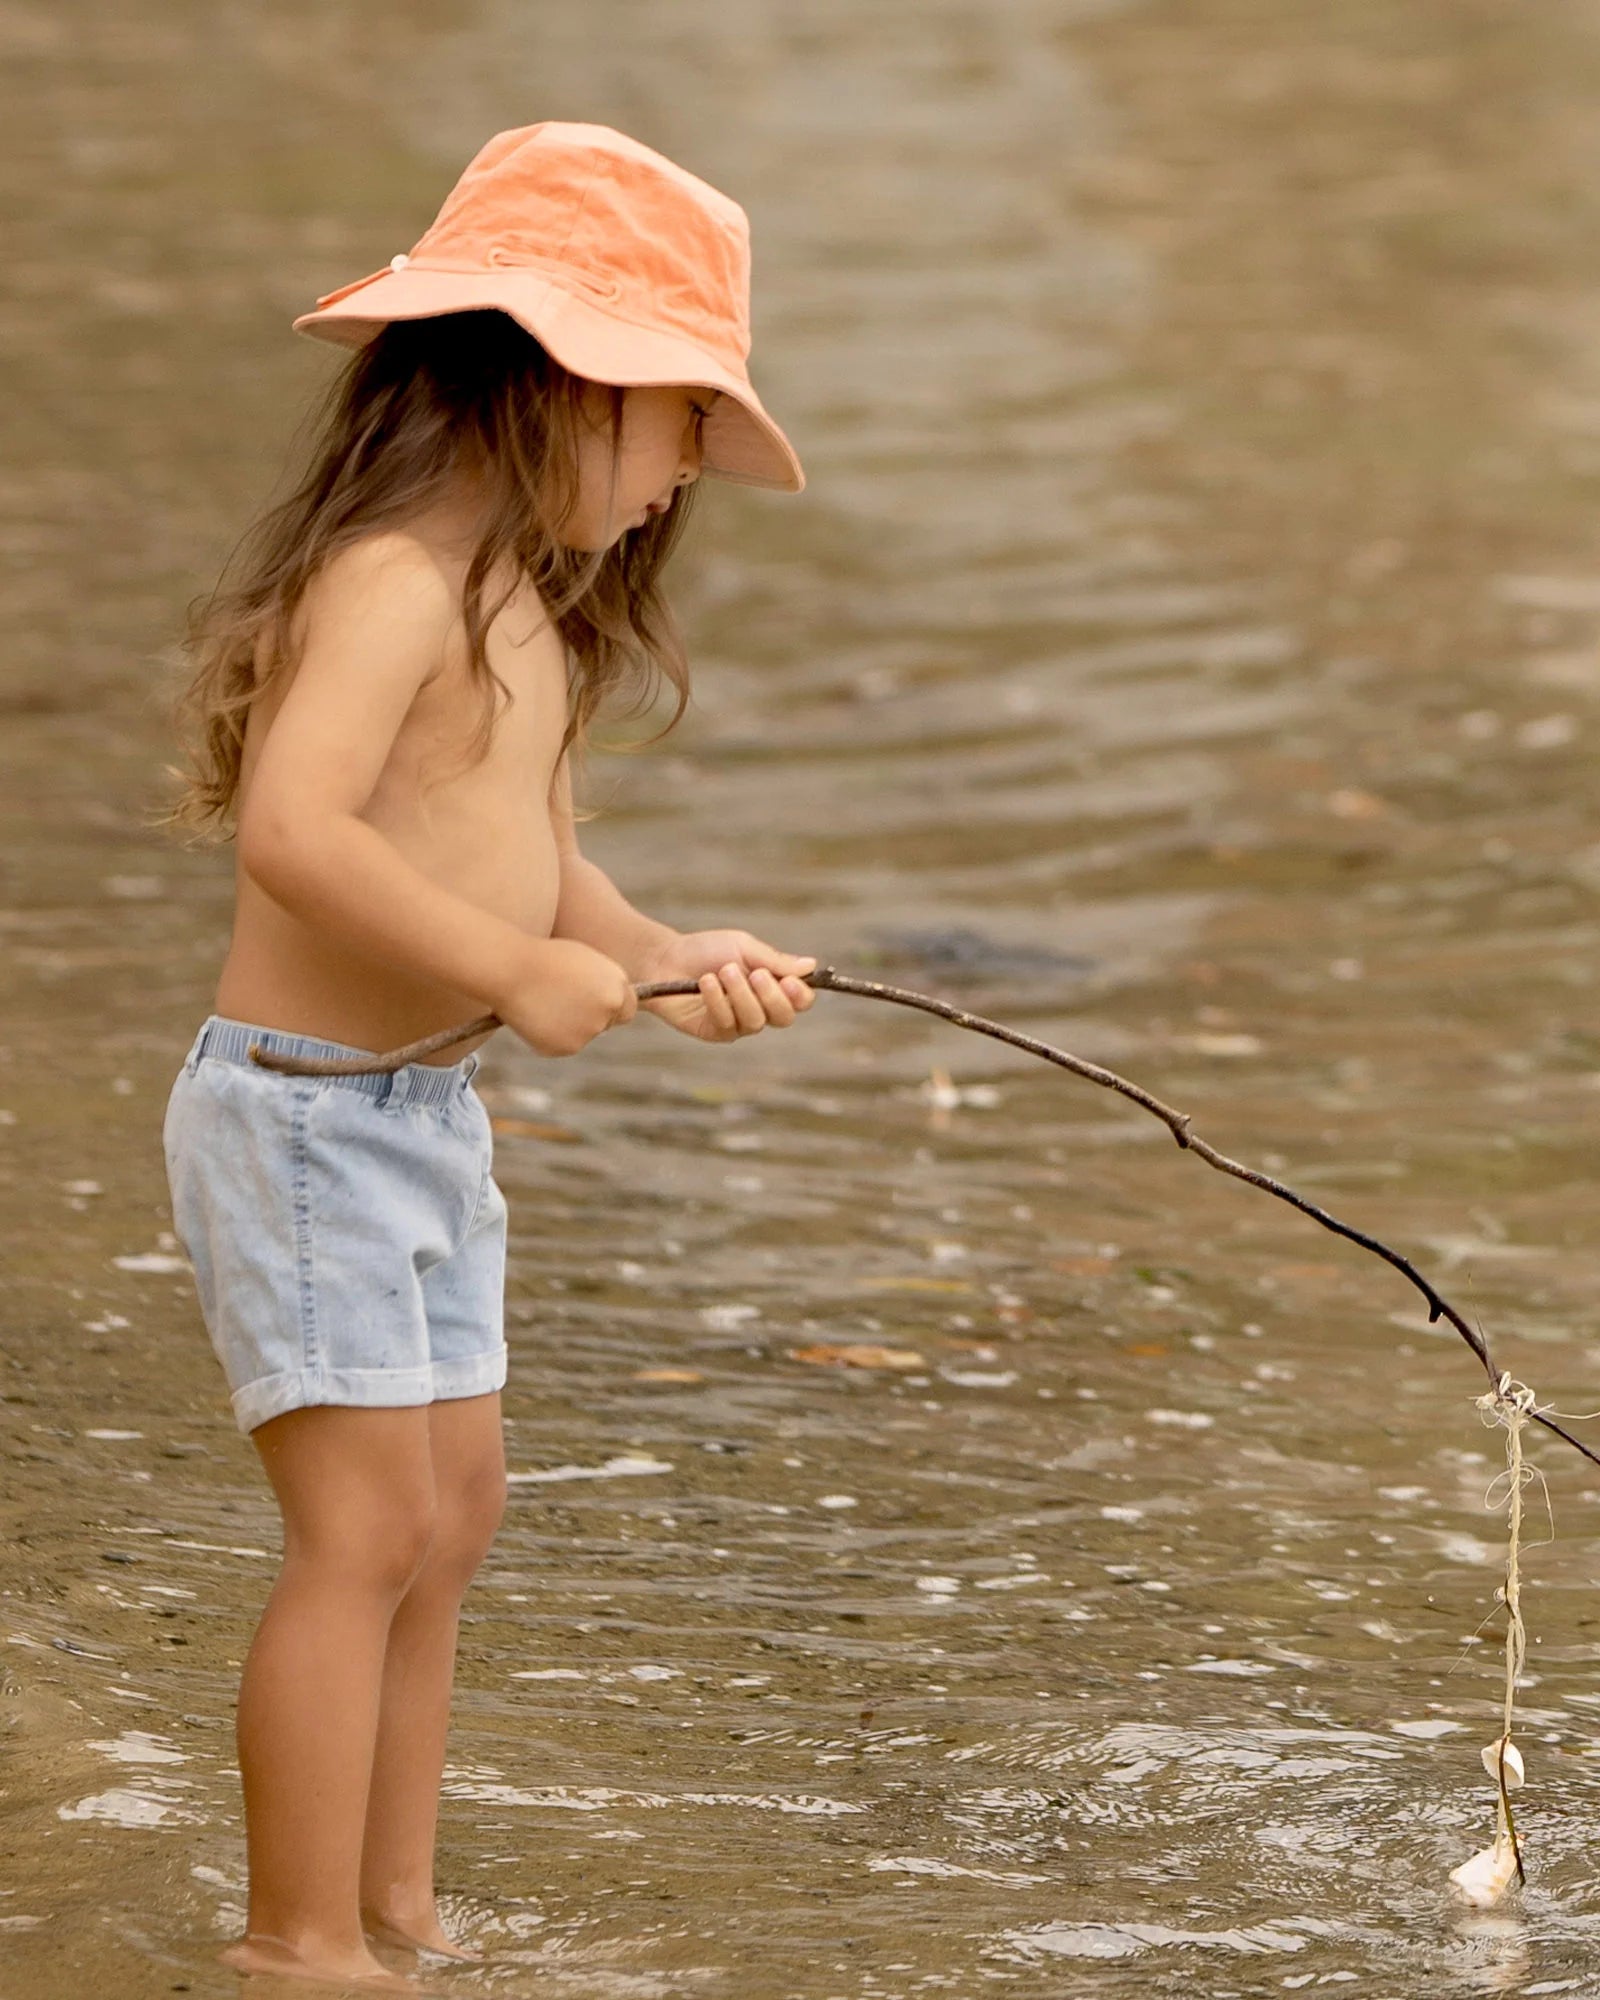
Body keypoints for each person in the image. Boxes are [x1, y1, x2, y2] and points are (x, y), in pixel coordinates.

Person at [158, 122, 816, 1989]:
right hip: (300, 1121)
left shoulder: (520, 597)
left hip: (417, 1120)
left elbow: (534, 853)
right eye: (678, 415)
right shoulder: (389, 581)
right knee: (360, 1531)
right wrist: (513, 970)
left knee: (451, 1519)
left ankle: (398, 1910)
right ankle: (298, 1943)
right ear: (555, 385)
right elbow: (298, 832)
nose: (690, 460)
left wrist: (653, 951)